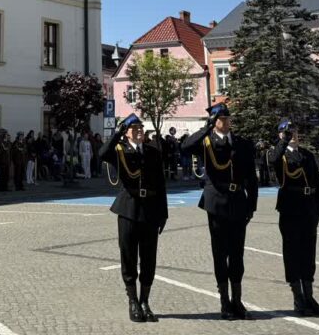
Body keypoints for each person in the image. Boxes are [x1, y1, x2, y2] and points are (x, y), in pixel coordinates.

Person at [181, 103, 257, 320]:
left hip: (238, 201)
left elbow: (251, 176)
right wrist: (207, 128)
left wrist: (251, 204)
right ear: (215, 121)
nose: (225, 122)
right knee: (220, 252)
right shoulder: (206, 143)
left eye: (227, 118)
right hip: (216, 202)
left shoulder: (241, 144)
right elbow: (185, 148)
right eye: (221, 119)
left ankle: (237, 301)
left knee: (237, 254)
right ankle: (224, 301)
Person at [100, 114, 167, 323]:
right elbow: (102, 153)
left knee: (149, 258)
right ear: (127, 132)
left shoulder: (153, 151)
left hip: (150, 210)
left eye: (140, 127)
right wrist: (118, 132)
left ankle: (145, 300)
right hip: (128, 209)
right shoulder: (119, 150)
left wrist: (163, 213)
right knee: (128, 256)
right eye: (134, 128)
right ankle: (133, 301)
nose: (139, 131)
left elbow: (161, 183)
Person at [269, 120, 319, 317]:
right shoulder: (279, 154)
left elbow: (317, 183)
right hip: (290, 208)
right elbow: (273, 161)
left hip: (309, 208)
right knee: (292, 253)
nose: (293, 134)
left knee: (308, 253)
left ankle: (309, 296)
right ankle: (298, 298)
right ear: (280, 134)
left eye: (294, 131)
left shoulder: (307, 155)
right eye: (287, 131)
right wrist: (283, 141)